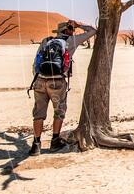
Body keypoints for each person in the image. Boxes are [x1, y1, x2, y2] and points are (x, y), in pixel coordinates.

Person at [28, 19, 96, 155]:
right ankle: (55, 141)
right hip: (57, 82)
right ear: (68, 30)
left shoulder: (46, 41)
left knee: (38, 114)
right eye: (72, 29)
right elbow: (93, 31)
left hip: (40, 81)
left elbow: (36, 61)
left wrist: (37, 79)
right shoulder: (71, 41)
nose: (74, 31)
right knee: (59, 111)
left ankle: (36, 145)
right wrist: (79, 25)